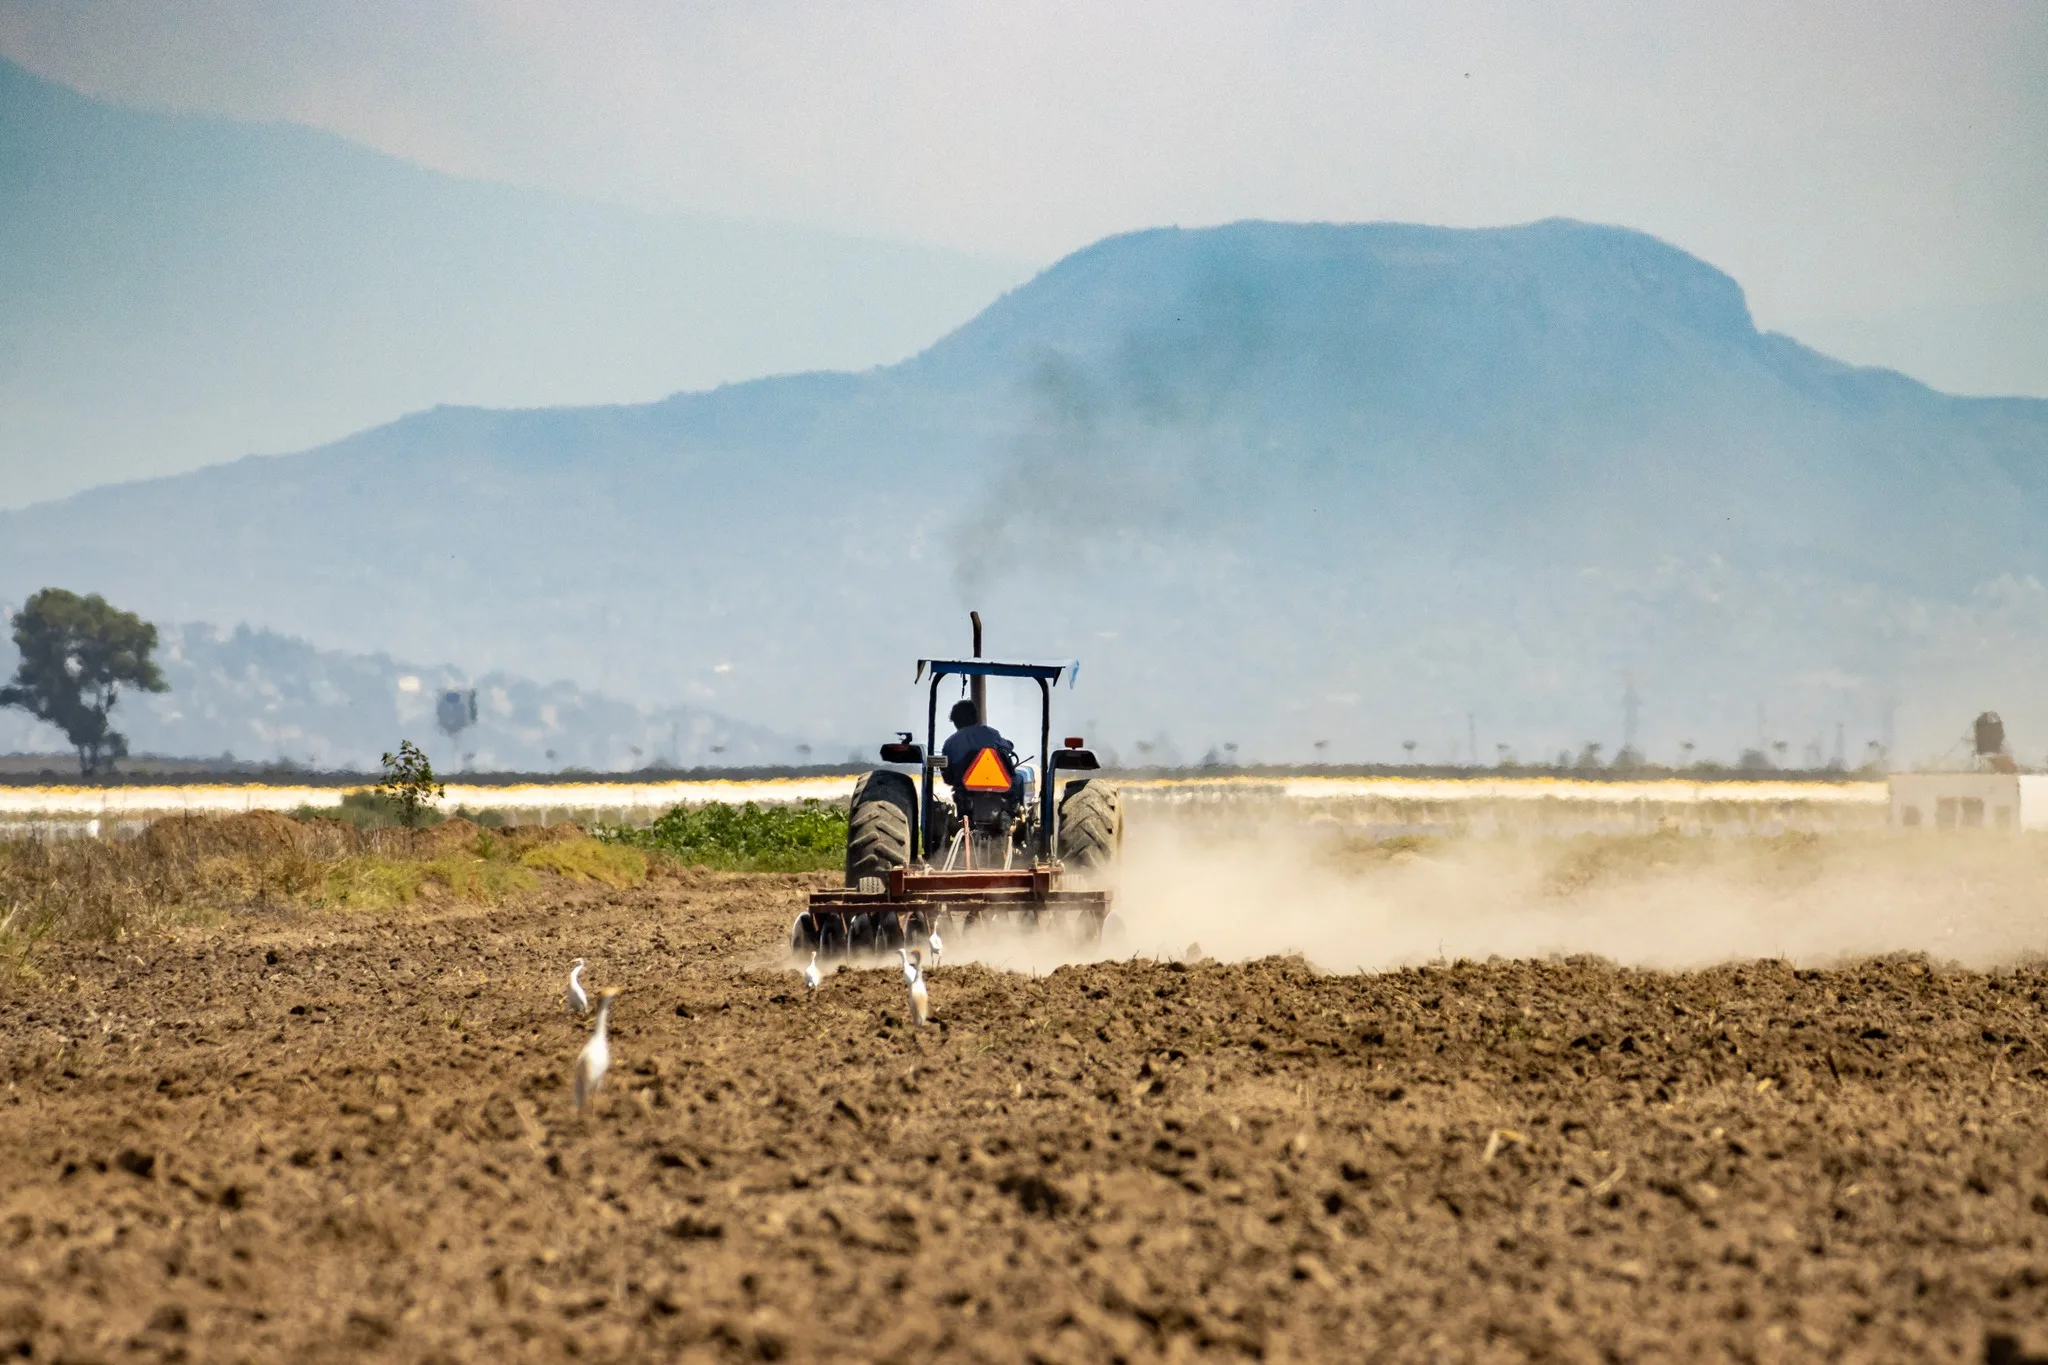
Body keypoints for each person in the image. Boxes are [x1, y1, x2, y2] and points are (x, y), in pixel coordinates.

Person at [940, 698, 1017, 806]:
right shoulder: (991, 733)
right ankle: (1015, 807)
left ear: (956, 721)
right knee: (1017, 782)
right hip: (998, 785)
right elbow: (1007, 747)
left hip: (965, 790)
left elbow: (947, 774)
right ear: (975, 717)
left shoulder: (950, 743)